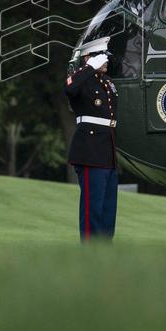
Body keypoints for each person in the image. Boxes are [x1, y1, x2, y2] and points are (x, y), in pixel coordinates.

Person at [64, 36, 119, 241]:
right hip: (90, 151)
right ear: (89, 57)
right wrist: (88, 67)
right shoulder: (81, 80)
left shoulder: (107, 82)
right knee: (92, 208)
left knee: (107, 209)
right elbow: (70, 88)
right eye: (100, 56)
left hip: (107, 151)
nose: (105, 60)